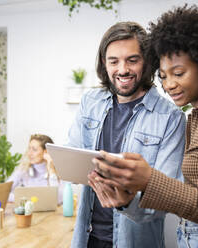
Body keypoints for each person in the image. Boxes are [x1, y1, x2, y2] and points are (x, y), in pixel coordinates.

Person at [90, 5, 198, 248]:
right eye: (164, 75)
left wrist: (150, 180)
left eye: (179, 73)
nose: (169, 84)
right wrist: (129, 197)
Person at [68, 21, 186, 248]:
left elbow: (168, 195)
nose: (122, 69)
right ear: (105, 63)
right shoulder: (90, 102)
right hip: (87, 238)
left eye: (132, 60)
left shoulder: (171, 118)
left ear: (147, 62)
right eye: (114, 61)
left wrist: (127, 201)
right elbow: (73, 155)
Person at [6, 134, 62, 203]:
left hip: (49, 213)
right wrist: (27, 199)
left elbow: (58, 200)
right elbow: (3, 193)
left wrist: (51, 170)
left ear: (46, 152)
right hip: (29, 212)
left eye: (34, 150)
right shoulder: (24, 169)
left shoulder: (57, 171)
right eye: (29, 148)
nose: (29, 153)